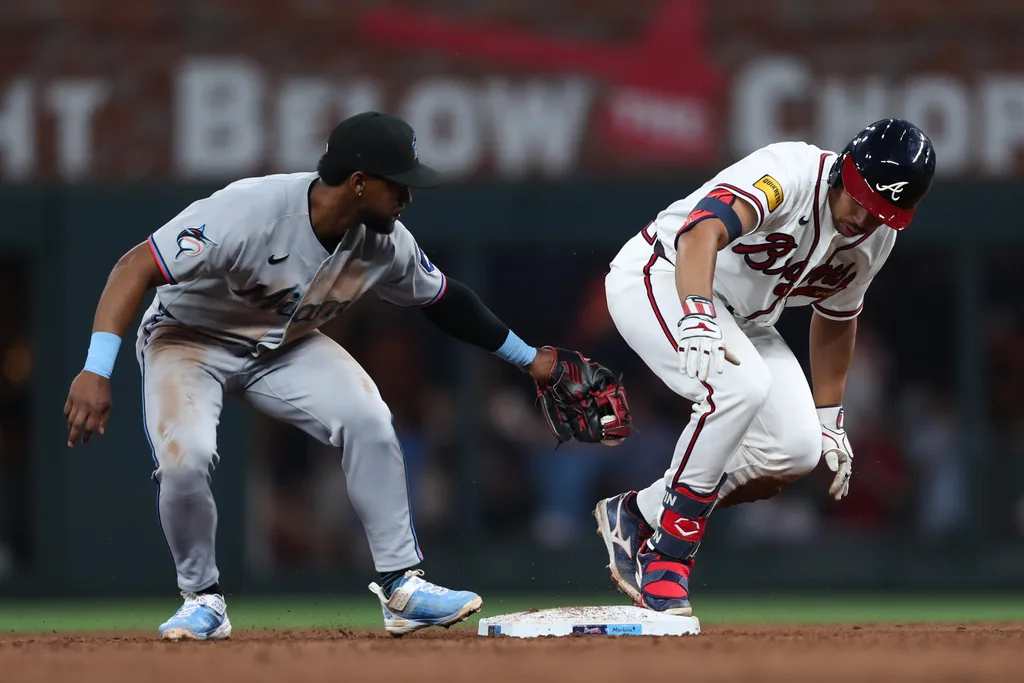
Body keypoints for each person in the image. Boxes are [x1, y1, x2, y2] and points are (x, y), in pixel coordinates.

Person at [62, 111, 627, 640]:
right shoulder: (250, 212)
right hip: (188, 340)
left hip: (285, 345)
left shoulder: (384, 242)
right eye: (397, 183)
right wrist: (95, 369)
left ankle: (402, 587)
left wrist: (531, 359)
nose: (408, 196)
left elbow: (446, 299)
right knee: (186, 460)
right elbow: (133, 266)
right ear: (359, 182)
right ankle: (201, 599)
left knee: (370, 420)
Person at [593, 118, 936, 614]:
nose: (865, 219)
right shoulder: (788, 174)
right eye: (862, 201)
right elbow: (700, 231)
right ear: (846, 172)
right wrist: (695, 313)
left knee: (795, 450)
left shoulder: (875, 239)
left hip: (743, 317)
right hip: (664, 274)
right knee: (741, 387)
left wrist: (830, 416)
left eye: (882, 212)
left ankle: (639, 513)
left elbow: (837, 317)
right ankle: (668, 556)